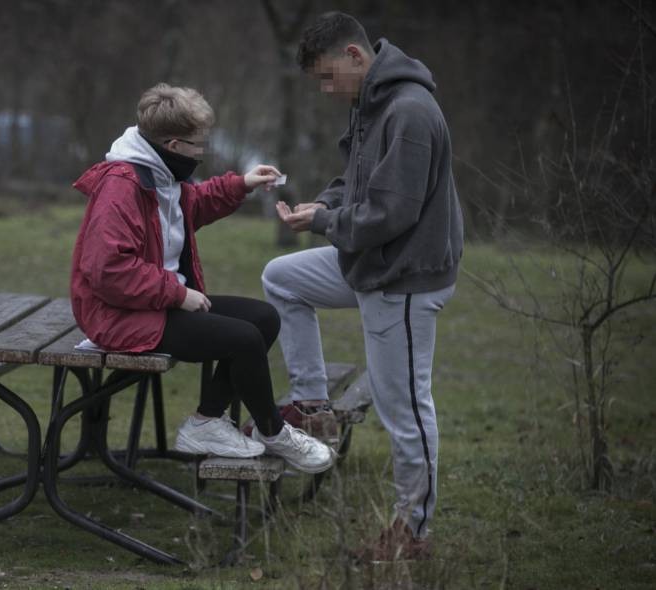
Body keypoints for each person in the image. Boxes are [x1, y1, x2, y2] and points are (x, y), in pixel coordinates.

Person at [264, 12, 464, 560]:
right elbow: (354, 180)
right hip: (373, 263)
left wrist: (326, 224)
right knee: (282, 278)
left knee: (406, 409)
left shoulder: (410, 111)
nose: (327, 90)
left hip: (403, 277)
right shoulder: (371, 104)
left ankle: (413, 533)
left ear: (356, 56)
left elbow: (391, 213)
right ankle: (311, 404)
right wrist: (325, 205)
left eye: (329, 77)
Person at [70, 83, 333, 474]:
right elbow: (107, 271)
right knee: (242, 340)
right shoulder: (122, 187)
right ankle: (273, 433)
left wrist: (241, 184)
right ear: (174, 144)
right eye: (197, 145)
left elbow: (191, 206)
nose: (201, 153)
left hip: (154, 303)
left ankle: (207, 421)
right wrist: (176, 294)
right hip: (118, 314)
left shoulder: (159, 174)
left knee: (262, 319)